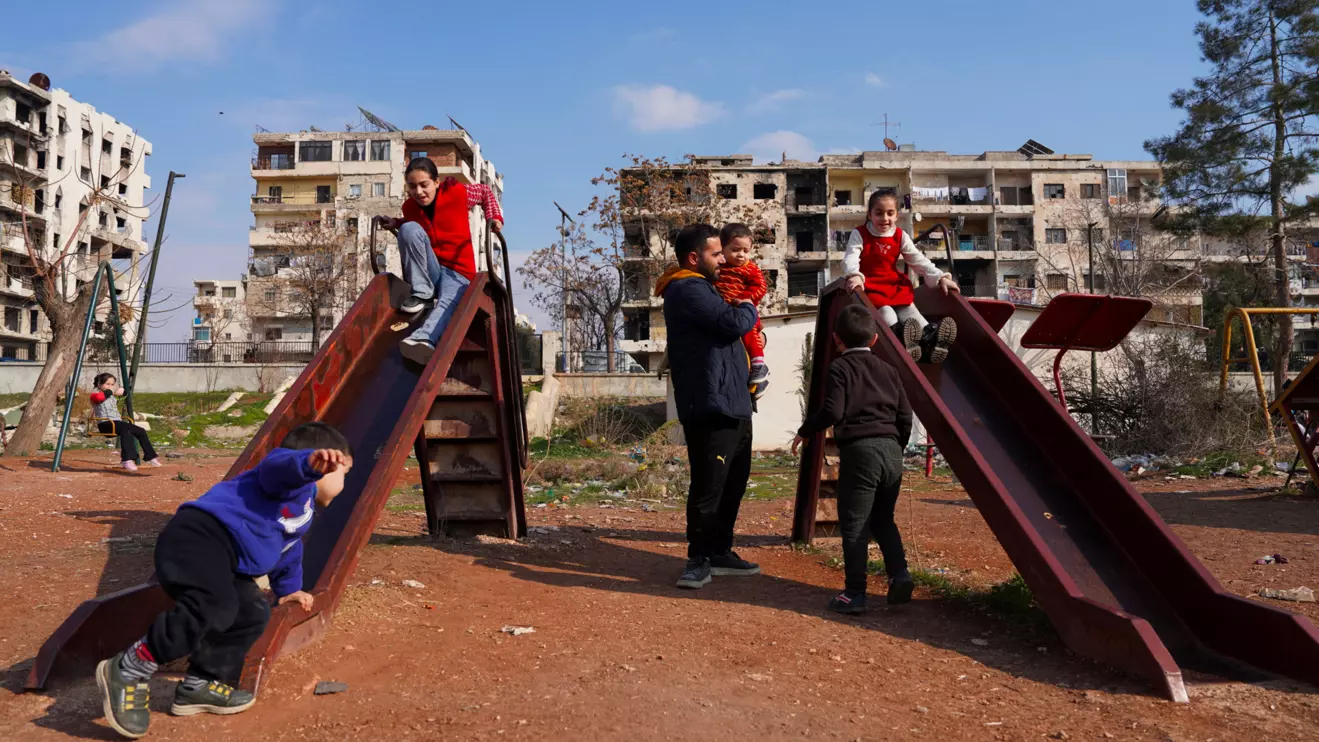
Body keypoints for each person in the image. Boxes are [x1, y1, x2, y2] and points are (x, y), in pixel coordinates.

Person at [96, 422, 353, 739]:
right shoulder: (290, 483)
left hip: (227, 562)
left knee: (252, 612)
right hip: (198, 538)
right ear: (322, 467)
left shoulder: (304, 511)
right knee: (214, 605)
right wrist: (305, 466)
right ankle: (130, 667)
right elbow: (277, 468)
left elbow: (289, 549)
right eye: (343, 473)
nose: (344, 482)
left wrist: (288, 589)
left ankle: (199, 684)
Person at [657, 223, 762, 589]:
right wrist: (749, 305)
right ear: (693, 257)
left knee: (734, 481)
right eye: (716, 254)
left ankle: (720, 550)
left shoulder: (707, 287)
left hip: (733, 402)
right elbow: (732, 322)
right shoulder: (687, 288)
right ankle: (698, 558)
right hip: (710, 403)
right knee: (709, 484)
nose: (723, 260)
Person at [791, 304, 914, 614]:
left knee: (855, 524)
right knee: (884, 518)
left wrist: (805, 431)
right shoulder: (889, 370)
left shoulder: (839, 369)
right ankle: (899, 574)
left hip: (861, 451)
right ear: (874, 340)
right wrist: (895, 444)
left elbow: (833, 411)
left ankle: (854, 593)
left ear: (836, 339)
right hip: (891, 450)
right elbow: (905, 414)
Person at [379, 157, 504, 367]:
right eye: (412, 187)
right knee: (408, 229)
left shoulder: (457, 193)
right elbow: (418, 230)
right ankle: (422, 294)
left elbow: (484, 192)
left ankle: (424, 338)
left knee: (449, 300)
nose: (418, 192)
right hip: (432, 272)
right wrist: (397, 223)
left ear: (436, 182)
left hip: (458, 271)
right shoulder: (409, 208)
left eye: (424, 185)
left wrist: (494, 216)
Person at [843, 189, 959, 363]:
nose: (885, 218)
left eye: (890, 213)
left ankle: (930, 340)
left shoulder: (899, 235)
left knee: (910, 310)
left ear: (897, 215)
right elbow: (851, 256)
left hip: (892, 284)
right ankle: (903, 341)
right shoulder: (859, 234)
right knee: (888, 313)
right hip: (871, 285)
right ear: (869, 214)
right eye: (879, 213)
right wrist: (854, 275)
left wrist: (940, 277)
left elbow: (917, 260)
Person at [714, 222, 770, 393]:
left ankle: (759, 364)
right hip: (725, 313)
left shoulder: (750, 268)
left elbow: (761, 287)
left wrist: (745, 300)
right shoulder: (718, 267)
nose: (741, 255)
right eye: (735, 250)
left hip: (743, 310)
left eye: (746, 251)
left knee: (750, 334)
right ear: (722, 248)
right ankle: (755, 383)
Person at [89, 373, 160, 472]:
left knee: (140, 431)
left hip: (117, 423)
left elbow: (125, 395)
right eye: (107, 384)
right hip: (106, 424)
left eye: (112, 384)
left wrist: (123, 390)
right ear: (99, 384)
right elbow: (99, 398)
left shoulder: (113, 396)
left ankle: (151, 456)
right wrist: (111, 391)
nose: (110, 387)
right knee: (126, 429)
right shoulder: (95, 394)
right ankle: (127, 459)